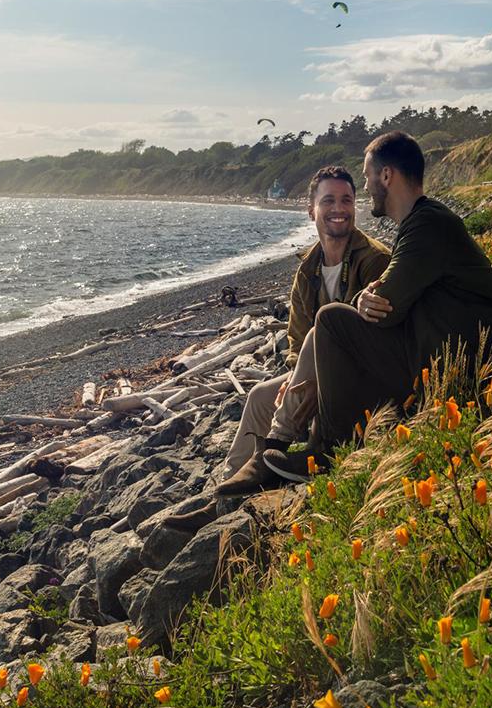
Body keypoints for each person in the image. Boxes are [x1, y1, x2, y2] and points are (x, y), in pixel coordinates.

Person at [263, 131, 492, 483]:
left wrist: (366, 298)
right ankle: (302, 446)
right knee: (337, 329)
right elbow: (389, 294)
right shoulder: (418, 225)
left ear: (387, 175)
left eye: (370, 176)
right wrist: (370, 297)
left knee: (331, 321)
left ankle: (326, 450)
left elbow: (387, 307)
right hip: (451, 354)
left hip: (479, 362)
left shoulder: (428, 223)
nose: (368, 187)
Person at [163, 166, 390, 530]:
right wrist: (294, 374)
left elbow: (376, 336)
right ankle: (223, 497)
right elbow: (297, 340)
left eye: (347, 200)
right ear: (311, 210)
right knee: (258, 396)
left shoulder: (373, 259)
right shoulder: (308, 269)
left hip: (358, 382)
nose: (339, 208)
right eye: (328, 200)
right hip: (314, 375)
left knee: (320, 339)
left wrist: (307, 375)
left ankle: (273, 455)